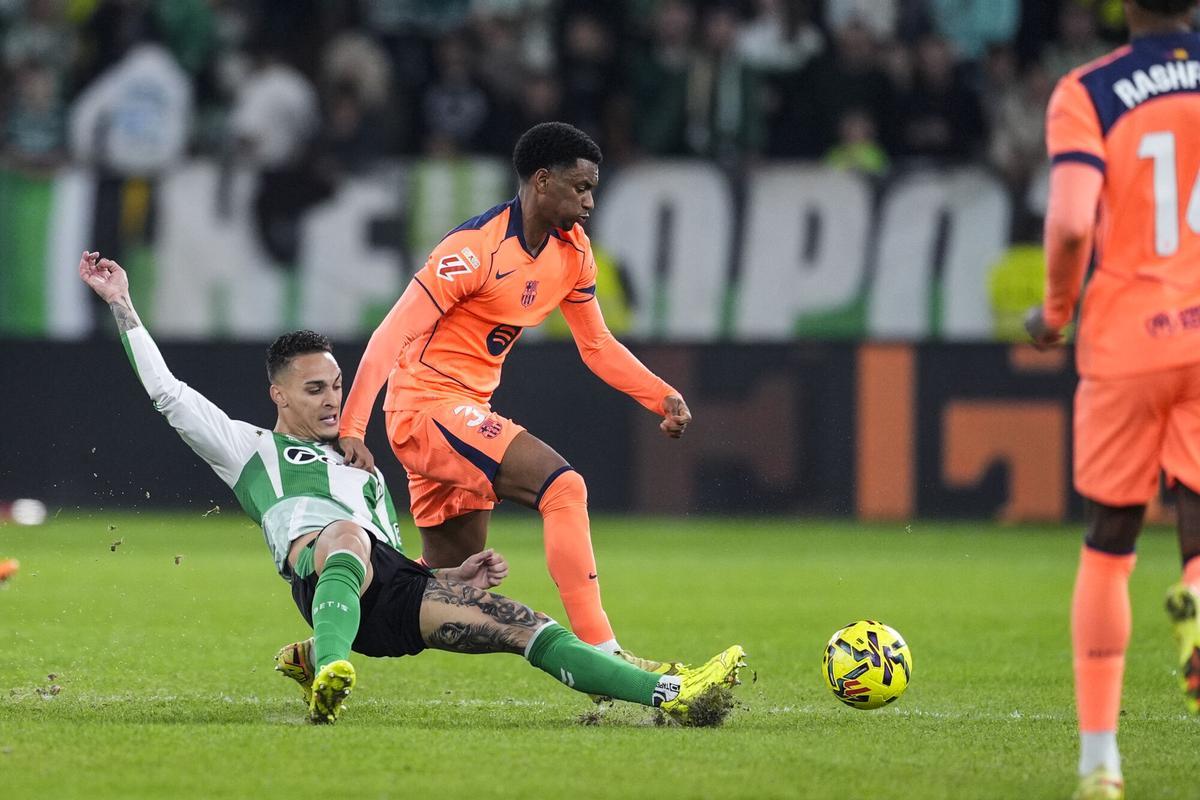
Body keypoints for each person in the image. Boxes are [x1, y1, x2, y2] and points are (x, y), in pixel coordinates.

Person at [78, 251, 745, 726]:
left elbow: (389, 563)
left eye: (337, 386)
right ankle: (330, 670)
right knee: (344, 538)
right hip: (321, 575)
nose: (332, 399)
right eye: (315, 390)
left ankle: (669, 693)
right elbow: (168, 395)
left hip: (386, 598)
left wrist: (453, 572)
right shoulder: (249, 449)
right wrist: (123, 304)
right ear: (277, 394)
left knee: (525, 625)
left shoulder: (363, 469)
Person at [338, 122, 692, 671]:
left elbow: (596, 344)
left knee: (441, 584)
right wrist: (353, 429)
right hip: (425, 408)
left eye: (594, 188)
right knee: (563, 487)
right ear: (543, 181)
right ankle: (606, 656)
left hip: (463, 416)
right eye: (581, 188)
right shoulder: (473, 249)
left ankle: (321, 642)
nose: (590, 201)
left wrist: (660, 395)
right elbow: (391, 335)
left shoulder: (573, 252)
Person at [1025, 1, 1200, 797]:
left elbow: (1067, 224)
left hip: (1129, 337)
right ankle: (1195, 595)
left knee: (1110, 543)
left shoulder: (1088, 90)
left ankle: (1100, 764)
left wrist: (1055, 312)